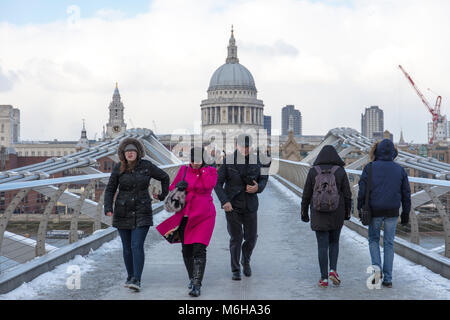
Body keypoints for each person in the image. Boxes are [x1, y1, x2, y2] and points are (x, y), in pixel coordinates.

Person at [104, 138, 170, 292]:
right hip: (122, 212)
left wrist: (162, 196)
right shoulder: (118, 168)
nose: (130, 153)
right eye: (127, 151)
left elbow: (165, 177)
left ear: (138, 153)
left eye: (133, 151)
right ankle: (130, 276)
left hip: (142, 211)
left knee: (136, 245)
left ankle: (137, 279)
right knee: (127, 247)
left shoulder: (147, 166)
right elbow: (110, 189)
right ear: (123, 154)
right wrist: (108, 207)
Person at [156, 147, 217, 297]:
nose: (195, 163)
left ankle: (197, 284)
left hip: (204, 215)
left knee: (199, 248)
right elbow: (172, 187)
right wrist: (178, 187)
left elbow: (210, 185)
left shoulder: (211, 171)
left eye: (198, 160)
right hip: (185, 215)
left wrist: (202, 169)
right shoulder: (183, 170)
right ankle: (191, 277)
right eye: (193, 160)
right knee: (187, 249)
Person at [357, 139, 411, 288]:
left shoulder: (370, 167)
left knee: (373, 240)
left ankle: (376, 271)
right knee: (389, 243)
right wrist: (406, 213)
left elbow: (362, 191)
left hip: (374, 211)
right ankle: (388, 278)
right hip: (393, 212)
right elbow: (406, 194)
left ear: (377, 151)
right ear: (393, 152)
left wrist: (359, 207)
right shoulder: (400, 169)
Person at [214, 134, 269, 280]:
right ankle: (235, 269)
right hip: (232, 205)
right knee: (236, 237)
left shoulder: (260, 161)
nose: (245, 149)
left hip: (250, 205)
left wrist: (258, 188)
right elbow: (217, 183)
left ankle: (246, 259)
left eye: (247, 146)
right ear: (236, 145)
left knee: (251, 238)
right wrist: (224, 201)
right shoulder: (228, 162)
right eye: (242, 146)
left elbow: (264, 179)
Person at [301, 145, 352, 288]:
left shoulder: (313, 171)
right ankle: (333, 270)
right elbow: (347, 195)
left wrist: (304, 212)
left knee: (322, 246)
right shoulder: (340, 171)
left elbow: (306, 195)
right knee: (334, 242)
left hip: (318, 214)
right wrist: (348, 212)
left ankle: (323, 278)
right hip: (337, 213)